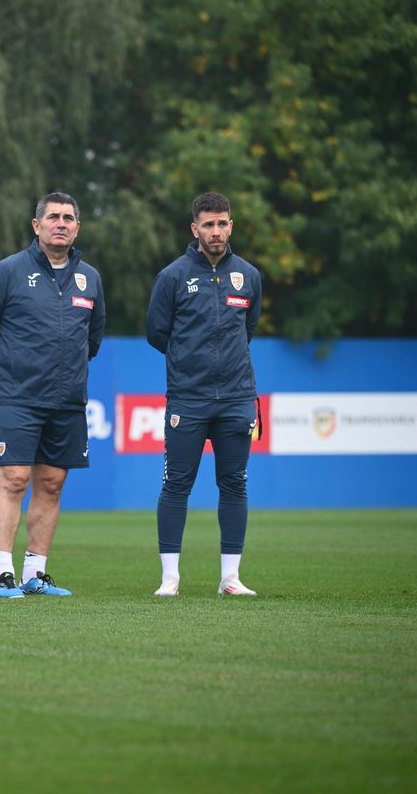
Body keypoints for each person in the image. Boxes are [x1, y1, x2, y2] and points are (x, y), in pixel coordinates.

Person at [0, 192, 106, 599]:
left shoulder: (90, 278)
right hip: (18, 397)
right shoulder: (8, 271)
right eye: (53, 217)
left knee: (52, 483)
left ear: (77, 227)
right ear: (37, 225)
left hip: (67, 400)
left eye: (68, 218)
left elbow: (92, 339)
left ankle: (36, 573)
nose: (61, 223)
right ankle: (2, 573)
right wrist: (12, 367)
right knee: (13, 479)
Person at [145, 191, 262, 597]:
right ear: (194, 228)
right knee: (176, 484)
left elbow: (248, 329)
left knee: (235, 483)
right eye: (208, 224)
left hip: (236, 397)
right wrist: (189, 361)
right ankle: (170, 579)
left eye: (222, 223)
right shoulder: (172, 276)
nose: (216, 231)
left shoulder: (248, 276)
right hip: (188, 397)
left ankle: (230, 578)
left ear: (231, 225)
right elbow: (156, 333)